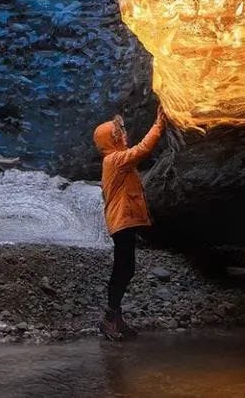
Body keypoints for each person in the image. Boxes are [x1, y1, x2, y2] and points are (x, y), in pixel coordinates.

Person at [93, 105, 167, 340]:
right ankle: (109, 319)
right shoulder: (114, 160)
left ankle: (116, 318)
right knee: (123, 269)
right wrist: (159, 124)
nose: (124, 135)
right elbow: (143, 150)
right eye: (119, 133)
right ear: (111, 140)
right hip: (121, 222)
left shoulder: (114, 160)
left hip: (124, 222)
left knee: (126, 268)